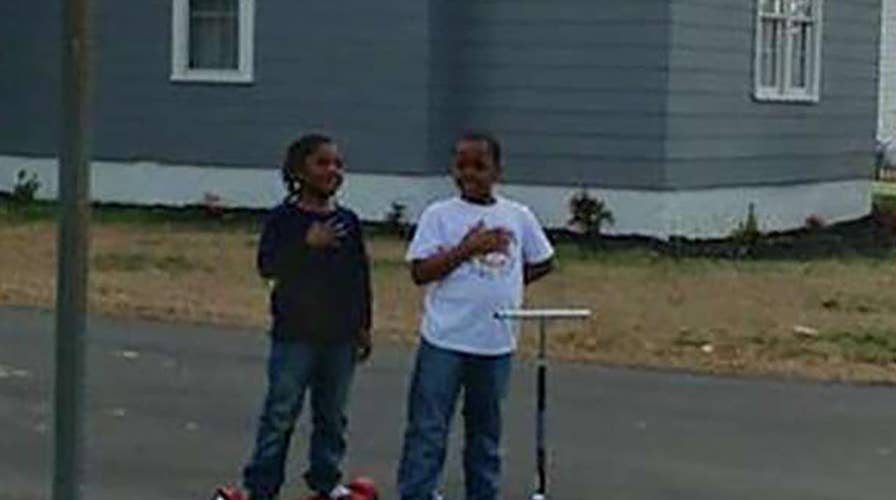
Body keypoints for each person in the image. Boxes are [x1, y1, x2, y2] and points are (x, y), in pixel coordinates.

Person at [397, 132, 555, 500]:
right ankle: (417, 492)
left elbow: (543, 261)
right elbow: (420, 271)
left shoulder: (517, 215)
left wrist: (511, 283)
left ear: (497, 170)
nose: (469, 173)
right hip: (445, 340)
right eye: (461, 165)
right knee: (428, 428)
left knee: (485, 432)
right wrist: (468, 249)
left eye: (479, 166)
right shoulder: (440, 215)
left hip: (495, 342)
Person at [242, 133, 372, 500]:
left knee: (332, 416)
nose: (332, 170)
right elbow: (268, 266)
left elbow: (358, 277)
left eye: (337, 164)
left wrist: (363, 325)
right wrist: (305, 245)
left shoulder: (348, 221)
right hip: (295, 333)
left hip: (340, 336)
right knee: (280, 413)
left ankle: (326, 481)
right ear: (299, 171)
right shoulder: (285, 219)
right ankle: (262, 485)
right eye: (322, 163)